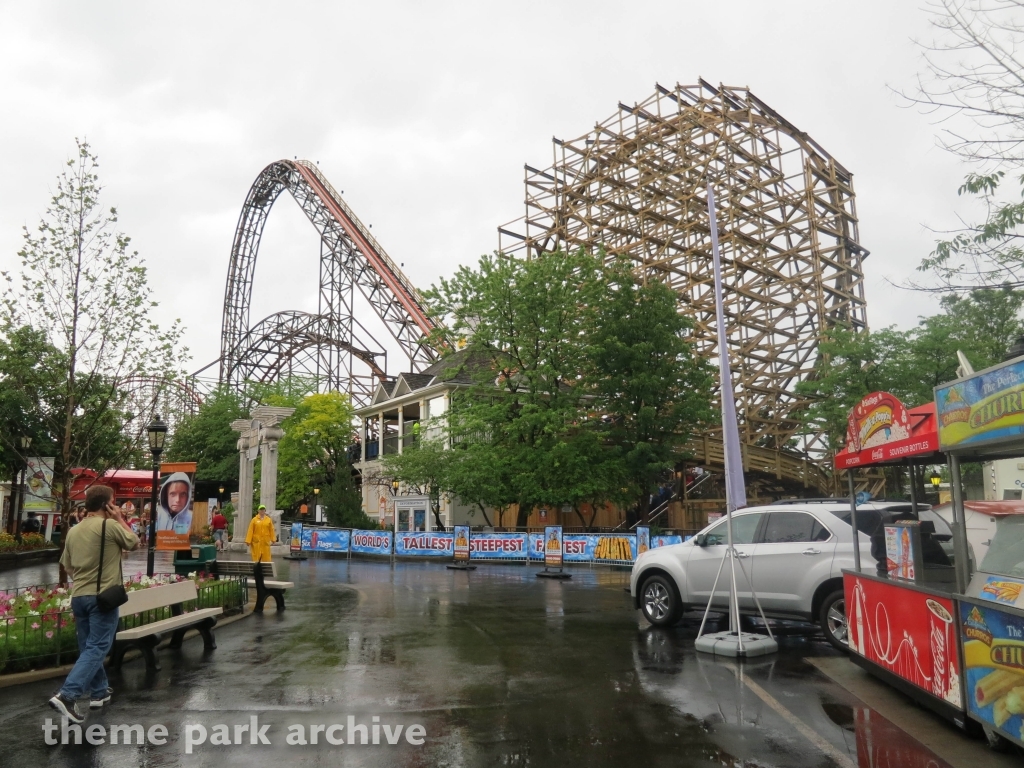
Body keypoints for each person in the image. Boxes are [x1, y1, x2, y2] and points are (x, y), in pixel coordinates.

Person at [48, 485, 139, 723]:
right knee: (98, 646)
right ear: (106, 505)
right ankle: (68, 695)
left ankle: (99, 692)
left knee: (89, 646)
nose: (117, 506)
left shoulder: (74, 531)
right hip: (103, 598)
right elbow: (134, 542)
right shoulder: (109, 525)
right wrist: (119, 519)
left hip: (79, 596)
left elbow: (67, 566)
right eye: (114, 502)